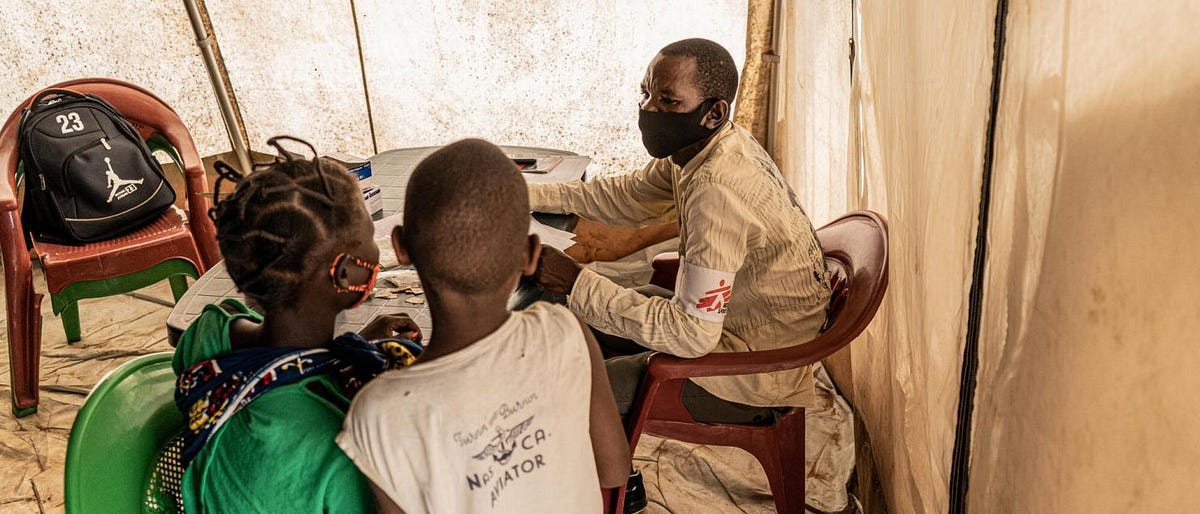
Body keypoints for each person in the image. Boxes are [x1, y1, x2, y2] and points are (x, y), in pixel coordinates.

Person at [529, 38, 832, 424]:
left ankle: (618, 478)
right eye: (645, 93)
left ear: (714, 112)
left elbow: (691, 335)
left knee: (562, 391)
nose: (648, 110)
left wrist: (574, 280)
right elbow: (630, 197)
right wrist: (524, 192)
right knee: (577, 318)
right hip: (726, 329)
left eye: (669, 101)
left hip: (748, 372)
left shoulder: (716, 190)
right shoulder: (706, 146)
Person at [337, 139, 630, 514]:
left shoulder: (377, 413)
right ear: (530, 255)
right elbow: (614, 468)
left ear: (401, 247)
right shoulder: (567, 330)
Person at [171, 136, 422, 514]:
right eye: (370, 236)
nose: (376, 248)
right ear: (344, 273)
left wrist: (350, 346)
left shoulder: (211, 330)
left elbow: (277, 365)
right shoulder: (342, 448)